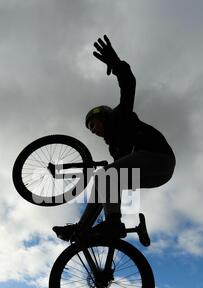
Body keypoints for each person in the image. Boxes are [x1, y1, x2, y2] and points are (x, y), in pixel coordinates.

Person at [53, 35, 176, 243]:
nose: (92, 130)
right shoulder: (115, 148)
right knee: (105, 184)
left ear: (104, 116)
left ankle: (113, 224)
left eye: (93, 124)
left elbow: (129, 84)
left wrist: (116, 63)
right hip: (157, 175)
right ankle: (81, 229)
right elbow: (113, 178)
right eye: (90, 129)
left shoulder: (121, 115)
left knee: (105, 176)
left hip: (158, 157)